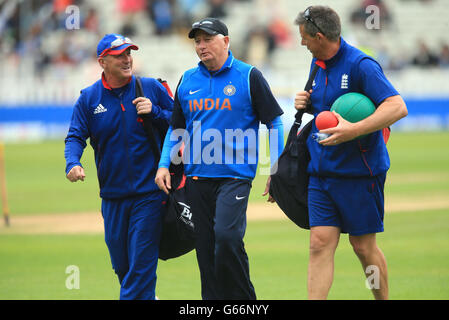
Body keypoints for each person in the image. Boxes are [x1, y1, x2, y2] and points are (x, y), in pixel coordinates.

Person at [155, 18, 284, 300]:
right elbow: (176, 130)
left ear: (225, 41)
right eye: (197, 41)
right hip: (197, 180)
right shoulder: (187, 79)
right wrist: (164, 164)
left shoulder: (248, 76)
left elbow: (274, 123)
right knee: (206, 253)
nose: (201, 46)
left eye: (207, 39)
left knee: (227, 239)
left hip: (235, 178)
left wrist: (276, 169)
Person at [293, 6, 407, 300]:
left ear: (319, 36)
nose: (302, 43)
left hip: (360, 174)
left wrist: (353, 130)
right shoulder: (316, 63)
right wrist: (306, 102)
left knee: (362, 247)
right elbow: (322, 114)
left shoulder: (362, 65)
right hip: (321, 172)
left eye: (305, 38)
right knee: (319, 243)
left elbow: (397, 107)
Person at [64, 33, 174, 300]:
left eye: (129, 54)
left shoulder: (151, 87)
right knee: (123, 268)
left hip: (149, 194)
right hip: (112, 198)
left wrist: (156, 113)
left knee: (140, 268)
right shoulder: (89, 99)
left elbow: (181, 124)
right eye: (119, 55)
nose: (127, 59)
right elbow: (76, 136)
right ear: (103, 62)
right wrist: (73, 162)